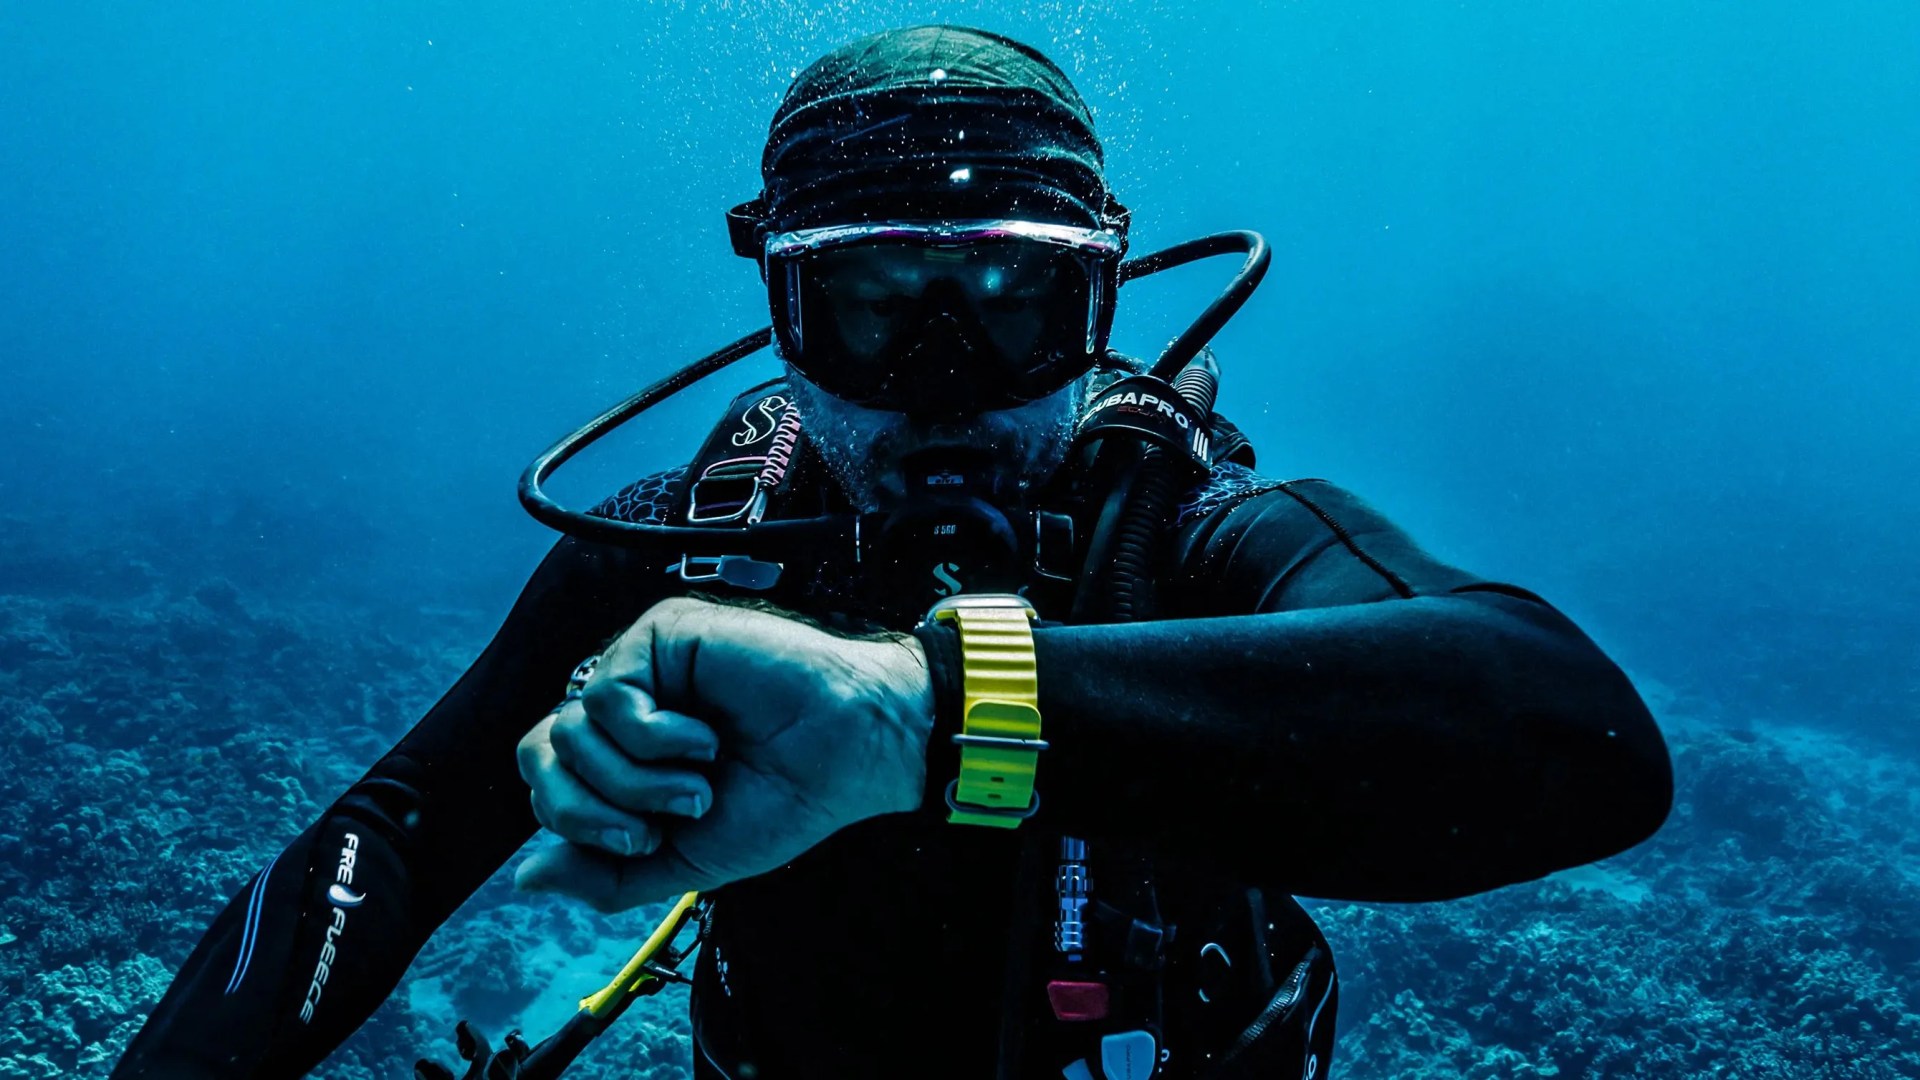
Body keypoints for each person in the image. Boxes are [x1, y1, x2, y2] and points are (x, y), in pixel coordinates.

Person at [111, 24, 1673, 1080]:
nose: (942, 387)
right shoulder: (685, 565)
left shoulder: (1193, 538)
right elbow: (394, 826)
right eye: (873, 309)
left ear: (1102, 313)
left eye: (1009, 306)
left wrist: (923, 717)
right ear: (786, 324)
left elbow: (1569, 733)